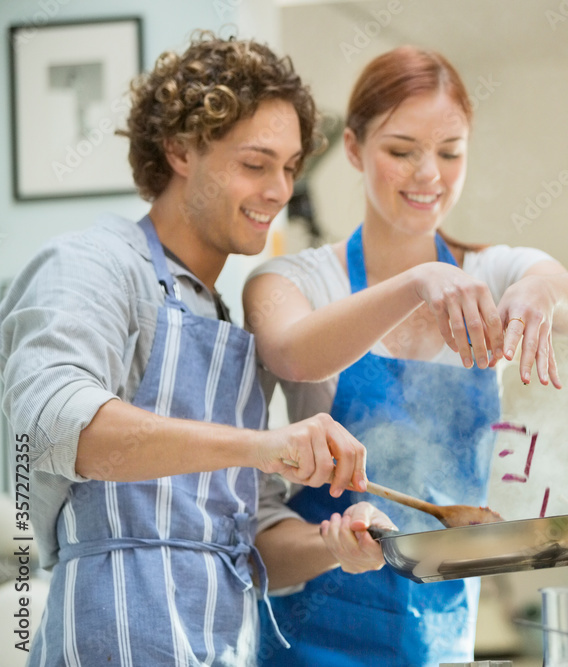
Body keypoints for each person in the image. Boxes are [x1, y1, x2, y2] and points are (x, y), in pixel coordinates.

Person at [0, 32, 391, 666]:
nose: (280, 190)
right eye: (255, 163)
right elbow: (47, 425)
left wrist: (334, 545)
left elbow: (247, 540)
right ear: (180, 149)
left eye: (290, 167)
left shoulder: (223, 317)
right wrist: (265, 447)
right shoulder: (93, 266)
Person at [243, 46, 568, 666]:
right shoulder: (296, 281)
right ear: (353, 149)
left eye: (450, 151)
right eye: (401, 150)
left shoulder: (492, 271)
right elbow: (291, 352)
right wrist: (417, 283)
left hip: (441, 639)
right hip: (312, 638)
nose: (428, 174)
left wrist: (540, 290)